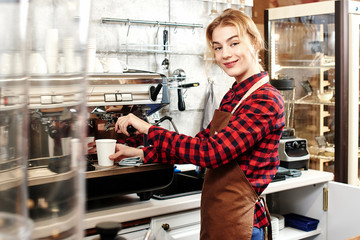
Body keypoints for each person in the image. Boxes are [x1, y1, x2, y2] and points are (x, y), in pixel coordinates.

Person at [109, 8, 285, 240]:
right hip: (220, 219)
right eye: (218, 47)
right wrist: (140, 153)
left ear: (253, 42)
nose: (225, 55)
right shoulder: (234, 95)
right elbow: (198, 145)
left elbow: (212, 153)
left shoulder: (265, 99)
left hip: (242, 225)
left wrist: (148, 128)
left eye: (234, 43)